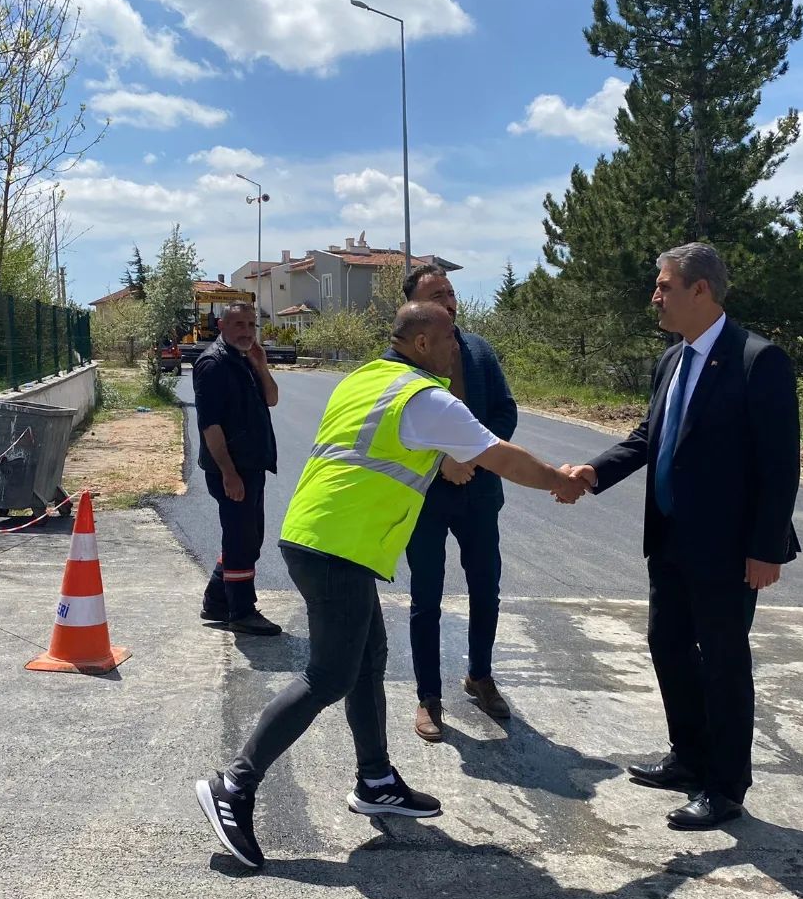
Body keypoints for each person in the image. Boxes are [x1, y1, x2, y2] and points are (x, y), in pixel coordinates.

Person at [196, 301, 587, 868]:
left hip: (319, 536)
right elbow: (498, 455)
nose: (460, 347)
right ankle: (234, 785)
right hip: (338, 548)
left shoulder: (367, 379)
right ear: (424, 343)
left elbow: (417, 454)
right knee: (328, 675)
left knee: (368, 659)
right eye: (451, 338)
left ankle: (376, 778)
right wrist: (558, 479)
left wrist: (448, 461)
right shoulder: (424, 397)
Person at [565, 242, 800, 831]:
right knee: (667, 646)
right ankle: (688, 757)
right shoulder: (671, 360)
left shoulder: (757, 360)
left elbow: (780, 465)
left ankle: (725, 787)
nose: (655, 296)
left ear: (701, 290)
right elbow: (649, 437)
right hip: (669, 538)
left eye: (665, 286)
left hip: (727, 550)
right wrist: (595, 471)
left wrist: (765, 547)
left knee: (723, 662)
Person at [402, 264, 518, 740]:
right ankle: (428, 697)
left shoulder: (479, 351)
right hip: (427, 499)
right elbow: (397, 431)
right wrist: (442, 462)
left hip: (479, 492)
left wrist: (471, 458)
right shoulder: (401, 364)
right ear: (412, 308)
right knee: (426, 597)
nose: (449, 301)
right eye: (436, 294)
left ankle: (480, 675)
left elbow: (504, 413)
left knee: (485, 587)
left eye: (451, 293)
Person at [192, 301, 281, 636]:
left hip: (251, 466)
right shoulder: (213, 364)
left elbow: (271, 399)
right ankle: (242, 611)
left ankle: (217, 601)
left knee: (248, 537)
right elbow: (210, 426)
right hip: (232, 470)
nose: (246, 331)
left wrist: (261, 366)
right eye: (238, 325)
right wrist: (228, 472)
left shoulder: (244, 359)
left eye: (250, 324)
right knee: (242, 539)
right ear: (221, 326)